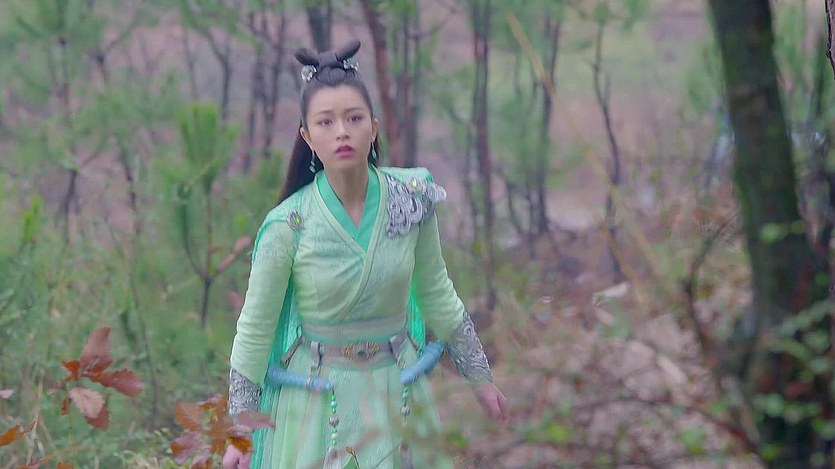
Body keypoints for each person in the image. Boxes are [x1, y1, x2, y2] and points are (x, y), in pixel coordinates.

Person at [222, 40, 508, 469]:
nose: (342, 132)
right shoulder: (289, 224)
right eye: (326, 122)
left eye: (354, 118)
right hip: (317, 403)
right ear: (307, 136)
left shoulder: (411, 199)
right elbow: (255, 330)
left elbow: (436, 293)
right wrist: (240, 433)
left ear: (373, 128)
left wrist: (480, 380)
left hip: (397, 390)